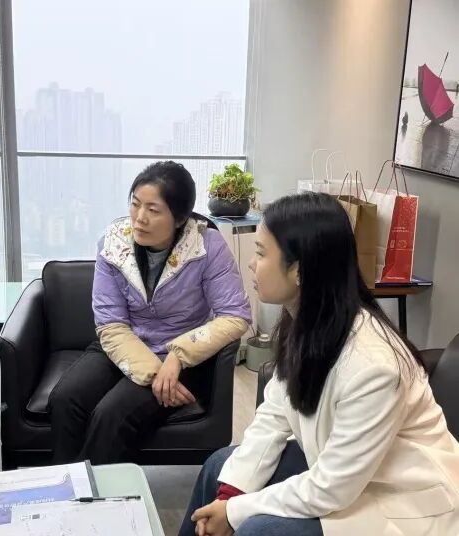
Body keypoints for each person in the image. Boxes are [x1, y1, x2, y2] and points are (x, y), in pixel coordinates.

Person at [180, 192, 459, 536]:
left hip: (402, 500)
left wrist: (235, 512)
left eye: (261, 253)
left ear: (299, 270)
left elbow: (332, 488)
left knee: (260, 530)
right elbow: (275, 414)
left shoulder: (374, 367)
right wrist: (229, 497)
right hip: (350, 472)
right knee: (219, 467)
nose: (251, 264)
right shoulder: (307, 323)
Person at [49, 161, 251, 464]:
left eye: (153, 210)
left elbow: (235, 315)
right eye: (135, 204)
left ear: (180, 217)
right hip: (121, 344)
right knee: (65, 399)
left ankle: (94, 491)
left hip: (184, 355)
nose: (140, 218)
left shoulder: (207, 245)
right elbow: (111, 324)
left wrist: (177, 356)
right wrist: (155, 374)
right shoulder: (113, 243)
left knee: (112, 414)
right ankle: (66, 485)